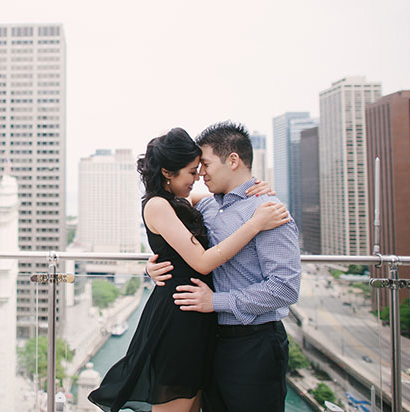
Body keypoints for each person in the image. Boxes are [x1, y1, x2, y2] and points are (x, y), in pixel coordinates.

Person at [88, 127, 290, 412]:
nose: (199, 178)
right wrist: (255, 223)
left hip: (206, 321)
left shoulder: (188, 202)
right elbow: (202, 261)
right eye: (193, 172)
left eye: (201, 168)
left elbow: (218, 205)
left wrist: (258, 188)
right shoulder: (158, 204)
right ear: (168, 173)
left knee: (194, 402)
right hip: (180, 317)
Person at [147, 121, 302, 412]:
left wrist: (214, 301)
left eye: (204, 164)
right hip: (210, 341)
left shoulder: (267, 211)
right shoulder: (206, 207)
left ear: (233, 160)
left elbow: (285, 289)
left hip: (254, 344)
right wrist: (153, 264)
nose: (201, 173)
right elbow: (164, 216)